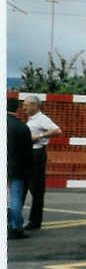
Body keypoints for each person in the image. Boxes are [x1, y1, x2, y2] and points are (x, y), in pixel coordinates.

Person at [22, 95, 62, 230]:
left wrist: (39, 136)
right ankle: (30, 220)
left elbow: (57, 130)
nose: (24, 107)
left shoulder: (42, 119)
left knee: (36, 189)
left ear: (35, 106)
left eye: (26, 105)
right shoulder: (33, 119)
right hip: (30, 154)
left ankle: (35, 221)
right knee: (28, 186)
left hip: (36, 154)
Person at [7, 98, 33, 239]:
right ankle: (15, 228)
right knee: (15, 199)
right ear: (17, 109)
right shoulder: (22, 127)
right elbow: (28, 152)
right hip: (16, 169)